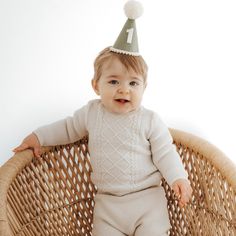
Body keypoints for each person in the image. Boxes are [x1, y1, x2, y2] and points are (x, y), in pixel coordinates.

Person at [14, 1, 192, 235]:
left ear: (144, 87)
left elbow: (165, 152)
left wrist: (178, 177)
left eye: (133, 83)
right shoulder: (91, 113)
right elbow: (67, 128)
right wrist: (39, 136)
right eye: (114, 81)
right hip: (107, 206)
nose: (124, 90)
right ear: (96, 85)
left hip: (147, 202)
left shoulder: (150, 120)